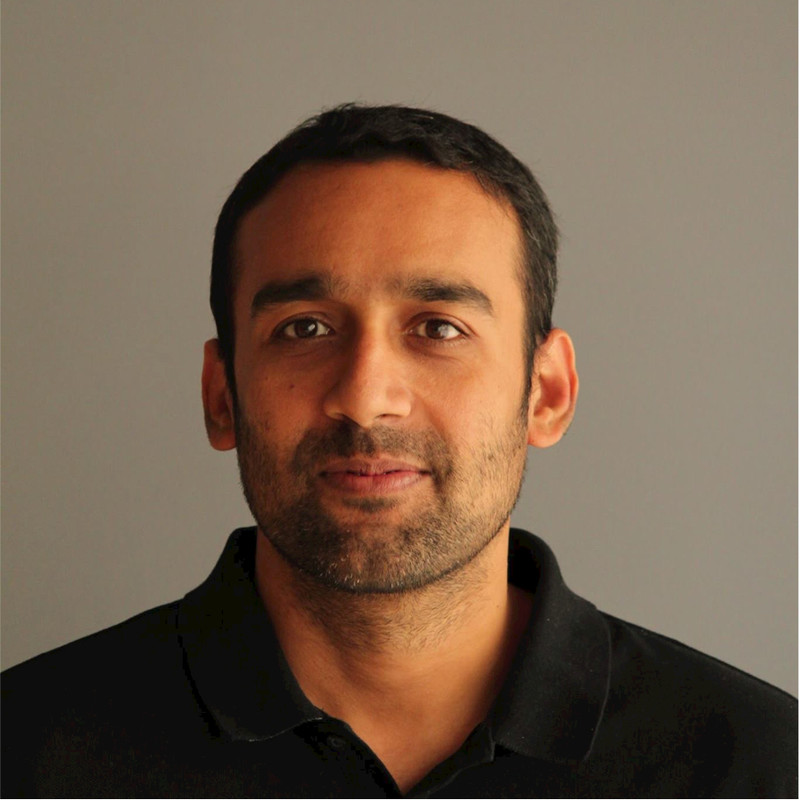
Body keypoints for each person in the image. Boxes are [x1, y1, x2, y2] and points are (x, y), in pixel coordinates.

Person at [2, 104, 796, 799]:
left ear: (547, 393)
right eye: (305, 328)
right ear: (222, 395)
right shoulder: (25, 753)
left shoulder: (761, 767)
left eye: (439, 328)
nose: (364, 395)